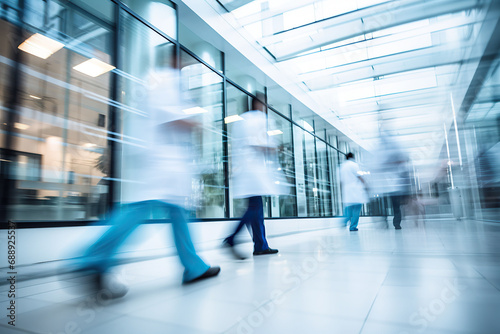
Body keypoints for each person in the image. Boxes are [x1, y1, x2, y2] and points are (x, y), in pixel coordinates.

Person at [70, 67, 220, 298]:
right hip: (163, 164)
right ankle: (92, 259)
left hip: (163, 164)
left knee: (176, 213)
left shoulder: (163, 81)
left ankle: (194, 267)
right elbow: (173, 118)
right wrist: (196, 123)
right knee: (140, 211)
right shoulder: (167, 80)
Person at [223, 94, 282, 259]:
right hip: (253, 171)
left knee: (256, 208)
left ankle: (260, 245)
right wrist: (273, 148)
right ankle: (232, 238)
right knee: (254, 208)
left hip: (245, 170)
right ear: (258, 103)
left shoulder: (243, 119)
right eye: (264, 104)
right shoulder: (258, 118)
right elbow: (259, 143)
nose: (265, 107)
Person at [340, 152, 368, 231]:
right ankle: (353, 227)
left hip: (347, 190)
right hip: (356, 190)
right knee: (356, 209)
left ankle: (343, 221)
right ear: (352, 157)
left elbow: (341, 180)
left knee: (348, 209)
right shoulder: (353, 165)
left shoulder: (342, 166)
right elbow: (359, 176)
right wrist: (366, 185)